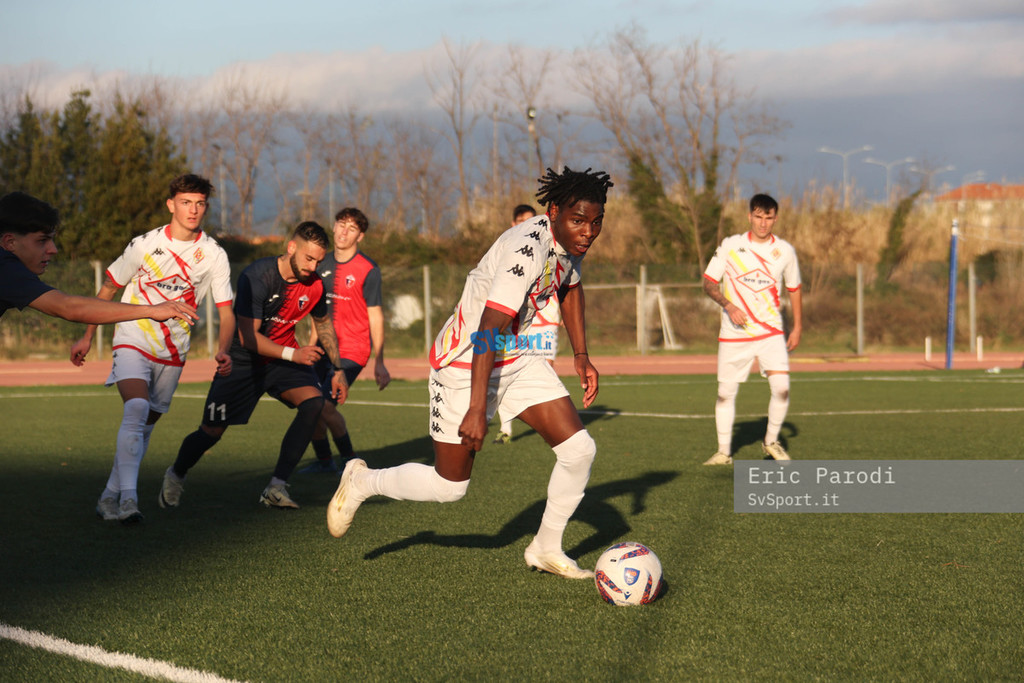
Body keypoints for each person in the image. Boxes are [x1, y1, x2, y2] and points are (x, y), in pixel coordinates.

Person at [327, 166, 613, 580]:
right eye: (579, 221)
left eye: (596, 222)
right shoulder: (526, 250)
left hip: (516, 355)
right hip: (465, 360)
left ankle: (546, 548)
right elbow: (486, 330)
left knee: (579, 450)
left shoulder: (569, 240)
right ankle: (362, 481)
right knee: (449, 486)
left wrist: (581, 354)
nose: (588, 232)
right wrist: (478, 409)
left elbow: (569, 285)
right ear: (553, 211)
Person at [69, 174, 235, 524]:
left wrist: (223, 349)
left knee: (144, 425)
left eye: (200, 203)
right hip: (132, 336)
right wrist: (87, 336)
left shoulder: (214, 255)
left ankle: (109, 496)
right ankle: (129, 501)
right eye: (186, 202)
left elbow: (226, 312)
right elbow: (108, 289)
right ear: (171, 205)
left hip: (174, 350)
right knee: (137, 407)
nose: (193, 210)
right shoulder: (144, 245)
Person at [159, 221, 348, 510]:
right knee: (211, 431)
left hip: (282, 360)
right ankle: (176, 474)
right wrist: (294, 355)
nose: (313, 267)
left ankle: (276, 487)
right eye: (309, 258)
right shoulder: (257, 276)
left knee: (314, 403)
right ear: (292, 247)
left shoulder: (315, 284)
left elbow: (323, 324)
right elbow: (249, 338)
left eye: (319, 261)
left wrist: (338, 369)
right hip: (243, 360)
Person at [701, 193, 802, 465]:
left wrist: (798, 327)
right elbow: (708, 283)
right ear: (749, 216)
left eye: (768, 217)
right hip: (734, 333)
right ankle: (724, 452)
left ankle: (771, 442)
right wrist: (729, 305)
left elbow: (794, 288)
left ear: (775, 219)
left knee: (782, 389)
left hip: (771, 332)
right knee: (725, 393)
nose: (763, 223)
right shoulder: (731, 246)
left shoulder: (785, 251)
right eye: (758, 217)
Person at [1, 191, 197, 325]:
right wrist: (151, 310)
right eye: (42, 241)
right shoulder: (5, 268)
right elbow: (68, 307)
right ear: (10, 242)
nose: (53, 249)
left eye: (51, 239)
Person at [299, 207, 390, 474]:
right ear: (334, 226)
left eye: (351, 229)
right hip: (321, 348)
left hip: (353, 350)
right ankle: (324, 461)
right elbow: (317, 311)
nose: (343, 232)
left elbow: (376, 316)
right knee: (310, 404)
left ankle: (351, 462)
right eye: (341, 224)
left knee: (325, 406)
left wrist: (380, 361)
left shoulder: (368, 269)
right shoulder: (320, 262)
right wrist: (311, 345)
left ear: (360, 236)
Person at [493, 203, 561, 445]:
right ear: (514, 223)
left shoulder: (550, 245)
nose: (529, 225)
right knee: (505, 372)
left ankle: (551, 422)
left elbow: (561, 280)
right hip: (518, 323)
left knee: (546, 370)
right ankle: (505, 428)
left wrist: (561, 312)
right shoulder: (507, 247)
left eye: (532, 219)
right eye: (522, 221)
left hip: (546, 319)